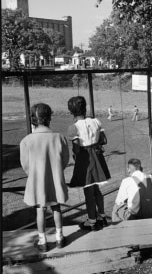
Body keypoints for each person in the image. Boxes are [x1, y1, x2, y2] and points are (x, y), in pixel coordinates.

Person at [20, 103, 69, 252]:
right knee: (56, 207)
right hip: (55, 180)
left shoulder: (26, 141)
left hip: (37, 182)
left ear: (33, 119)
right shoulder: (59, 138)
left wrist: (35, 174)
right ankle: (60, 238)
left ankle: (42, 241)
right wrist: (55, 172)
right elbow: (65, 160)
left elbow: (25, 165)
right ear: (49, 117)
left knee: (40, 210)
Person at [67, 96, 111, 231]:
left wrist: (76, 154)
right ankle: (102, 217)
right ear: (85, 108)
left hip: (85, 159)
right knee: (97, 189)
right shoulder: (96, 121)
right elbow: (104, 140)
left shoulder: (73, 127)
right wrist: (95, 142)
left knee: (88, 191)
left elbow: (76, 149)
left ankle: (92, 221)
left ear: (71, 111)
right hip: (97, 156)